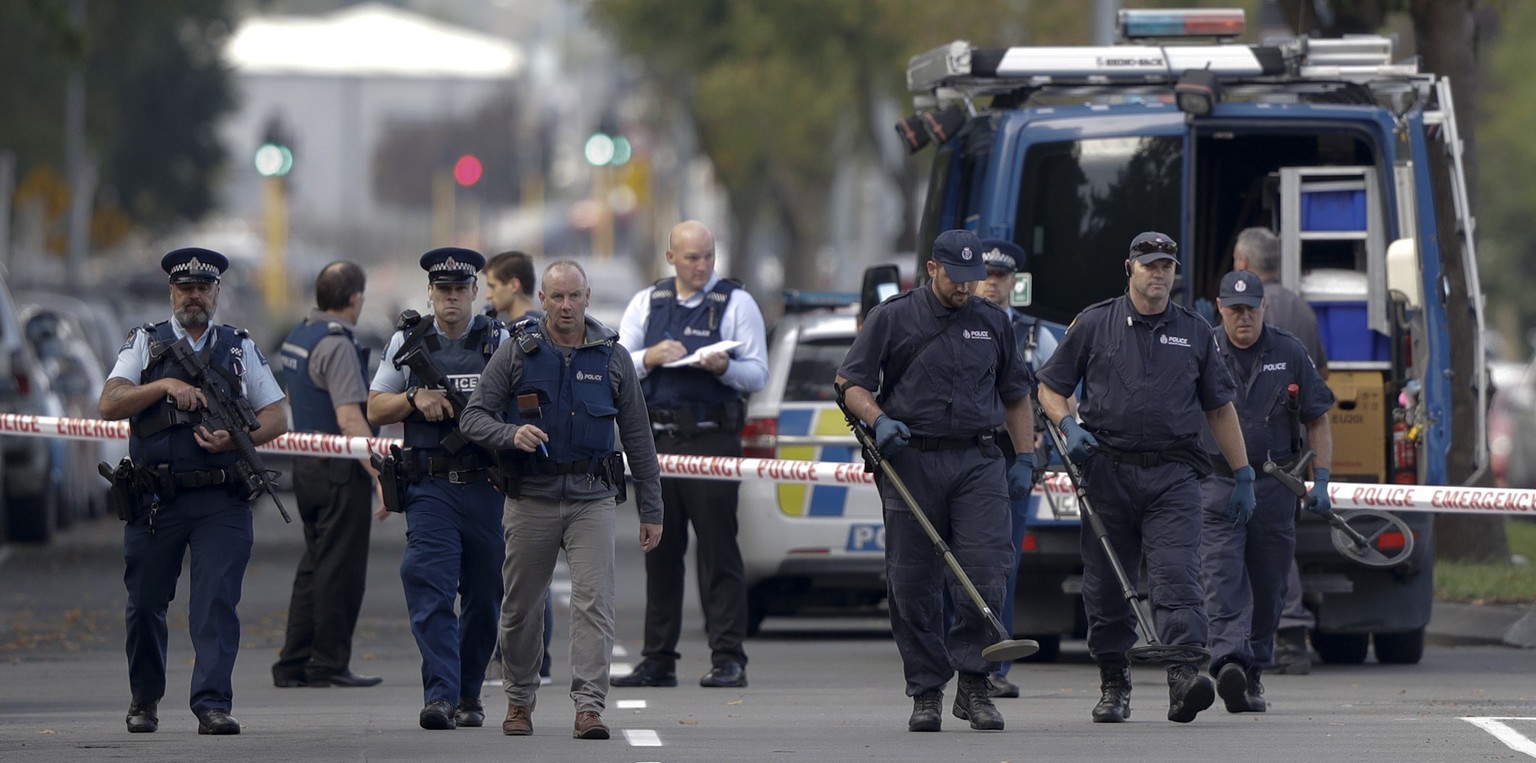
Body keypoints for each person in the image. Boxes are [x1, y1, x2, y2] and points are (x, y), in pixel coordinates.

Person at [1035, 231, 1254, 725]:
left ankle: (1183, 680)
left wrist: (1242, 474)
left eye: (1167, 265)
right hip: (1107, 472)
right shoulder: (1094, 323)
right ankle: (1114, 681)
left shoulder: (1196, 331)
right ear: (1129, 268)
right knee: (1107, 588)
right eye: (1150, 264)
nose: (1159, 273)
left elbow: (1219, 408)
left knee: (1177, 576)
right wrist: (1067, 425)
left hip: (1173, 475)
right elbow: (1049, 387)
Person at [836, 229, 1038, 733]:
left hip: (978, 462)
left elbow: (1016, 395)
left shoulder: (993, 323)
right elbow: (849, 382)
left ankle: (974, 683)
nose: (967, 288)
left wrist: (1026, 458)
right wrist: (878, 419)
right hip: (912, 463)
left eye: (975, 279)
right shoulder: (893, 317)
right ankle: (926, 688)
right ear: (932, 269)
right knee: (912, 583)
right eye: (957, 278)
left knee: (986, 573)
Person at [459, 259, 665, 741]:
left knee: (596, 604)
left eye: (575, 296)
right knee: (519, 608)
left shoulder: (613, 357)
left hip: (592, 499)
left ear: (587, 297)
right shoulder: (516, 352)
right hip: (530, 497)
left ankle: (589, 708)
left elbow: (639, 439)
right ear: (544, 300)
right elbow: (473, 418)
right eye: (557, 297)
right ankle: (519, 700)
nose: (566, 305)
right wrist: (511, 434)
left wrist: (651, 510)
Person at [99, 247, 287, 735]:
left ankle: (212, 704)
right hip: (157, 500)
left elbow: (277, 416)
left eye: (204, 288)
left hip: (220, 499)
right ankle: (144, 700)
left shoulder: (239, 346)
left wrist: (236, 438)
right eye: (186, 288)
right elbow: (110, 402)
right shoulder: (146, 342)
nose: (195, 297)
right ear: (172, 293)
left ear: (217, 293)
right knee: (144, 605)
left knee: (214, 603)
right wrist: (164, 389)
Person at [611, 220, 768, 690]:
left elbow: (757, 373)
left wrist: (727, 368)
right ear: (671, 257)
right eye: (692, 257)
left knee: (718, 550)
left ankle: (728, 658)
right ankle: (658, 659)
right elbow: (618, 364)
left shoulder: (736, 303)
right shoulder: (647, 303)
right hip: (656, 443)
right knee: (660, 550)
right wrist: (651, 357)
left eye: (708, 256)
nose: (702, 266)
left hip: (711, 439)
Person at [367, 247, 509, 731]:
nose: (451, 298)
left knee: (485, 595)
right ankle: (441, 695)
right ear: (430, 294)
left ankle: (469, 693)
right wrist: (413, 397)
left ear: (474, 293)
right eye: (442, 290)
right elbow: (375, 408)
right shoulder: (407, 341)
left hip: (486, 485)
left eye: (460, 290)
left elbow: (528, 403)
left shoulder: (500, 340)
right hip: (430, 488)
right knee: (429, 585)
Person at [1199, 270, 1335, 714]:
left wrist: (1323, 480)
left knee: (1270, 584)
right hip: (1217, 484)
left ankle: (1252, 667)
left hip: (1275, 486)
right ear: (1220, 308)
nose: (1243, 318)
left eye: (1251, 309)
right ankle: (1229, 660)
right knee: (1221, 577)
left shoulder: (1289, 351)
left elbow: (1317, 416)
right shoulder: (1203, 349)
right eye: (1234, 309)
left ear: (1264, 308)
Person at [272, 261, 385, 689]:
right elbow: (350, 419)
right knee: (341, 569)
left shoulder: (299, 335)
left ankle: (293, 662)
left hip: (306, 463)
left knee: (314, 564)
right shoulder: (338, 345)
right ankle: (329, 663)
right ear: (355, 298)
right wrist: (377, 472)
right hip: (338, 468)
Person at [1232, 226, 1329, 674]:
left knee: (1259, 548)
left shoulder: (1239, 321)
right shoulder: (1304, 311)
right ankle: (1270, 637)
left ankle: (1283, 633)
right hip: (1294, 451)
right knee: (1275, 546)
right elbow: (1319, 382)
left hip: (1256, 453)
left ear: (1245, 266)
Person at [974, 238, 1059, 699]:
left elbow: (1056, 393)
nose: (991, 283)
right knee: (960, 562)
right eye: (985, 273)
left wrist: (1042, 439)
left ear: (1013, 282)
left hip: (1012, 460)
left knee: (1003, 562)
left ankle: (995, 666)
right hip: (964, 454)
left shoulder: (1033, 336)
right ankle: (959, 658)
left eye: (1000, 275)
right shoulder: (959, 325)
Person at [482, 249, 555, 687]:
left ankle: (533, 662)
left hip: (522, 462)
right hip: (502, 460)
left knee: (528, 569)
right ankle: (515, 656)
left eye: (491, 287)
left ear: (514, 285)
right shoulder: (503, 330)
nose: (487, 297)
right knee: (512, 567)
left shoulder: (528, 334)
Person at [484, 250, 542, 325]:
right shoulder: (542, 325)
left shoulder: (527, 330)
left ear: (514, 285)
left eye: (493, 287)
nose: (488, 295)